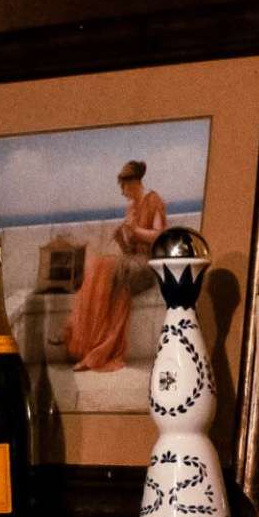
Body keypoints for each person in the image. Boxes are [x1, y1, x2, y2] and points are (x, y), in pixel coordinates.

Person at [63, 158, 167, 372]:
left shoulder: (153, 200)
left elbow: (159, 236)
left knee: (102, 266)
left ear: (133, 183)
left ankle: (75, 330)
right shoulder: (130, 209)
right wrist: (123, 237)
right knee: (112, 288)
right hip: (131, 264)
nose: (122, 192)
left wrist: (136, 231)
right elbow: (129, 249)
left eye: (123, 186)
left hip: (148, 265)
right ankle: (94, 350)